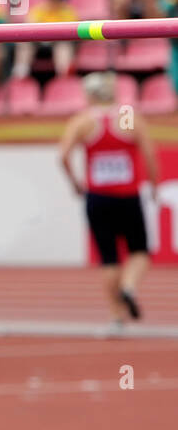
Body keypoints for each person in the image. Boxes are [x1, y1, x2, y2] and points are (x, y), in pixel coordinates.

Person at [58, 72, 157, 332]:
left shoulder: (83, 121)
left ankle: (116, 316)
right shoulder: (128, 118)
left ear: (89, 94)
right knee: (139, 252)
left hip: (98, 198)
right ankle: (129, 286)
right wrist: (155, 187)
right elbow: (149, 155)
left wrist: (76, 183)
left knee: (109, 258)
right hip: (128, 196)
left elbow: (63, 155)